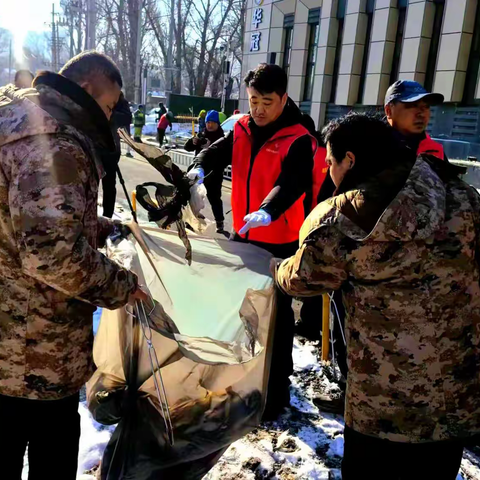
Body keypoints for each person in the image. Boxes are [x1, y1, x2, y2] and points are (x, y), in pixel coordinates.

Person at [276, 111, 480, 480]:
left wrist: (275, 266)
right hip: (454, 398)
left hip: (382, 407)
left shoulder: (344, 218)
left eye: (330, 163)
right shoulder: (462, 195)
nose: (328, 173)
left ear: (350, 160)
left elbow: (300, 280)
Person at [0, 50, 147, 480]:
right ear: (86, 89)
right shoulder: (56, 141)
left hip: (10, 336)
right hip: (36, 353)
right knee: (49, 456)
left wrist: (99, 226)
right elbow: (51, 254)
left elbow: (23, 218)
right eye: (106, 105)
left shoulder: (14, 115)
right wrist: (122, 285)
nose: (108, 118)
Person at [188, 63, 316, 419]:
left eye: (267, 102)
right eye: (253, 100)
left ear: (284, 99)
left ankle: (275, 388)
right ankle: (247, 375)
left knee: (276, 316)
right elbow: (218, 151)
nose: (258, 109)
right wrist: (200, 165)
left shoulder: (299, 137)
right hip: (245, 235)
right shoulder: (243, 126)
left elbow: (293, 182)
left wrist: (269, 210)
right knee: (247, 310)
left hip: (279, 239)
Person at [185, 110, 226, 233]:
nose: (210, 125)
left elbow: (225, 157)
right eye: (208, 122)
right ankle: (190, 220)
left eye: (213, 122)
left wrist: (211, 149)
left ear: (218, 124)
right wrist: (193, 141)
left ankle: (220, 222)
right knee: (193, 197)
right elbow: (187, 147)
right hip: (199, 173)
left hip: (214, 173)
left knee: (215, 198)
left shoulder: (222, 138)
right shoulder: (201, 134)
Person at [385, 80, 446, 160]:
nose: (422, 114)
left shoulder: (435, 151)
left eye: (426, 107)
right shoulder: (369, 146)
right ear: (389, 111)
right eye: (412, 105)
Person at [101, 92, 133, 217]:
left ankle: (107, 216)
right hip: (90, 146)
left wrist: (109, 113)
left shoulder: (117, 96)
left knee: (109, 185)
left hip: (110, 148)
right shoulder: (91, 91)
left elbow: (126, 118)